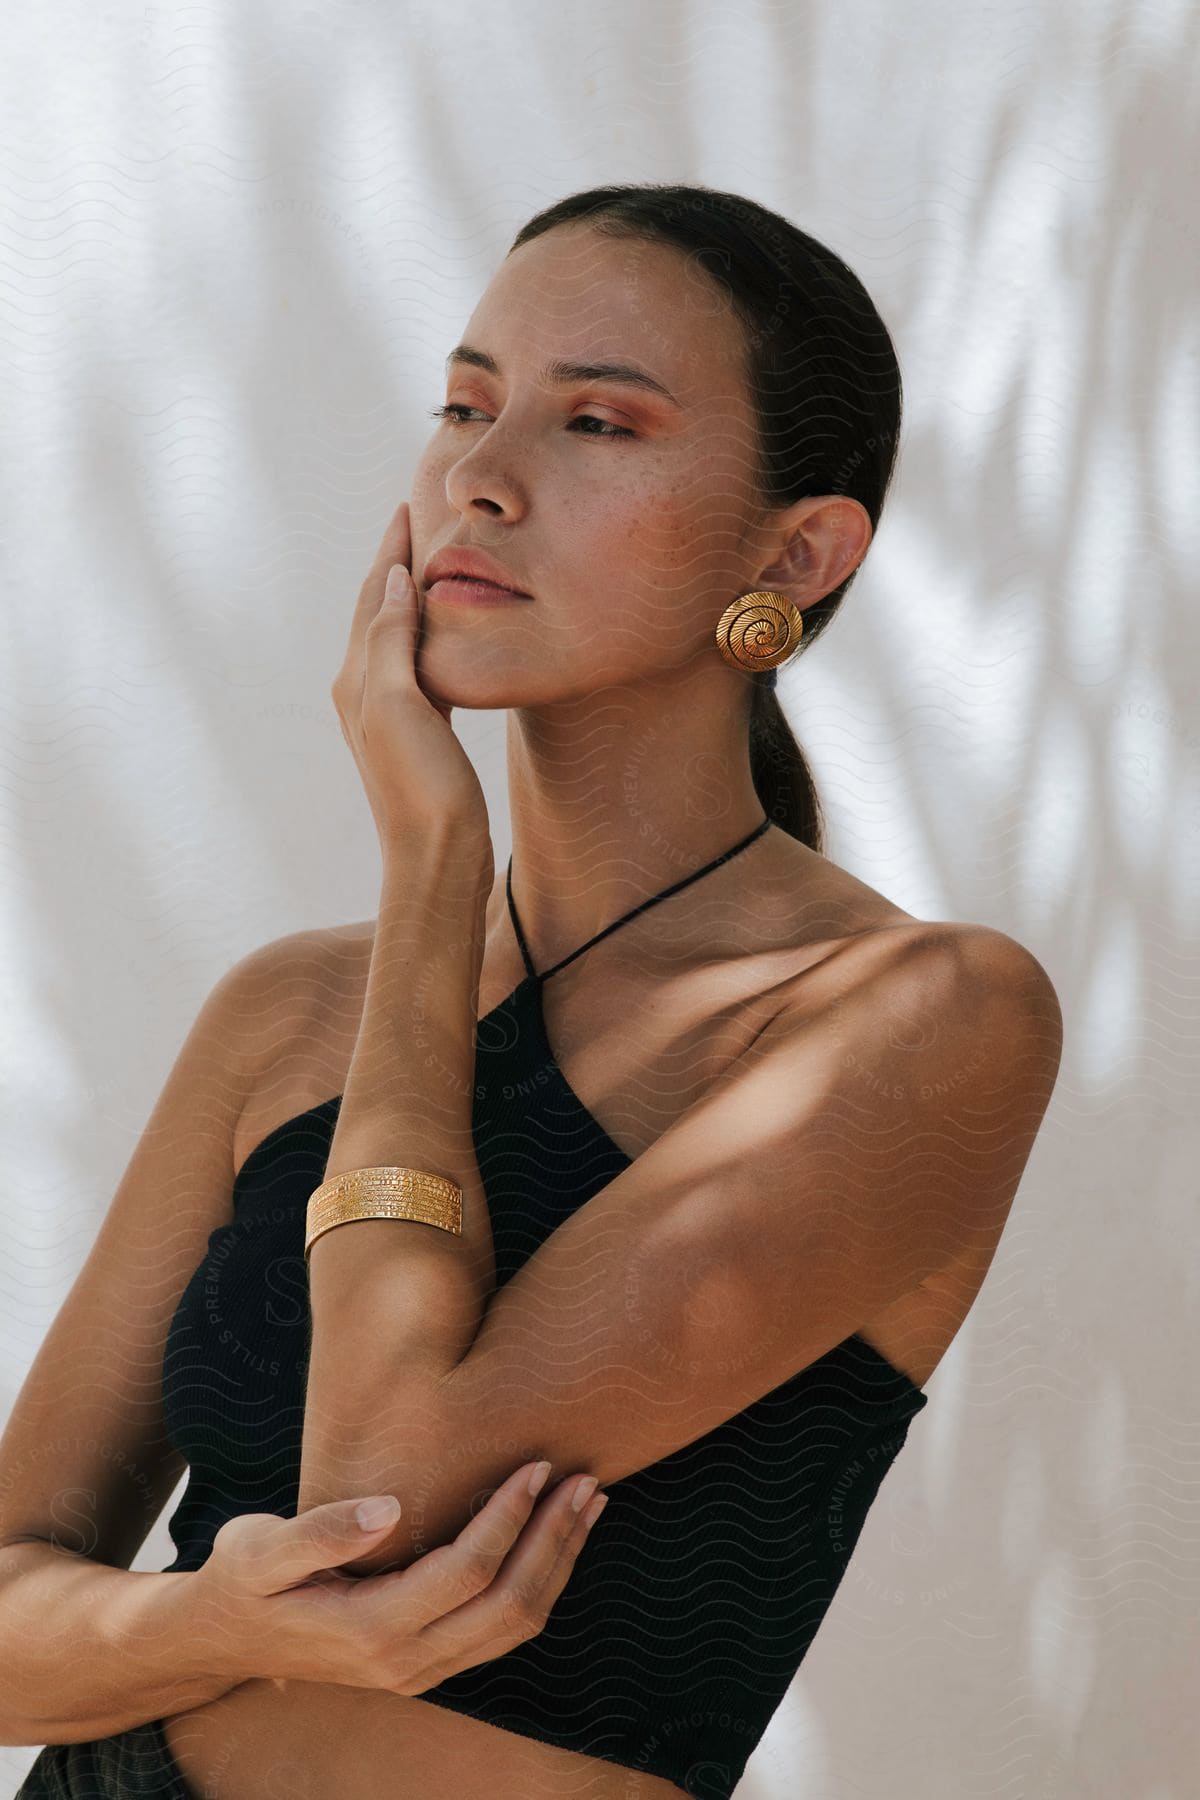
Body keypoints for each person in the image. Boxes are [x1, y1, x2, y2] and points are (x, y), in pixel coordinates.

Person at [3, 182, 1063, 1800]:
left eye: (596, 423)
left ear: (798, 549)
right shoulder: (285, 1017)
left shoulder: (925, 1018)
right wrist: (223, 1621)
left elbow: (387, 1486)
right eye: (464, 404)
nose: (478, 480)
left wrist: (432, 880)